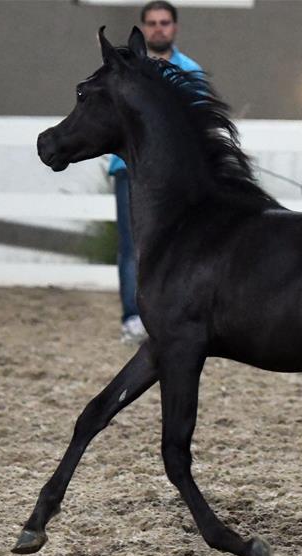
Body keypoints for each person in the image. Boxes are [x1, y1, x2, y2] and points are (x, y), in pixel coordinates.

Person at [110, 0, 202, 343]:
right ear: (144, 28)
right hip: (129, 168)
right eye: (152, 23)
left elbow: (198, 121)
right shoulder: (126, 70)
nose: (158, 28)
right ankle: (133, 318)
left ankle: (170, 312)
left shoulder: (189, 70)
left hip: (173, 174)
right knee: (131, 245)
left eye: (164, 22)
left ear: (174, 27)